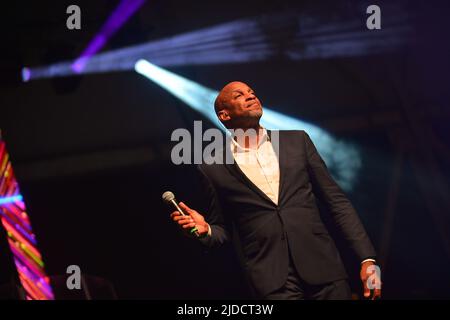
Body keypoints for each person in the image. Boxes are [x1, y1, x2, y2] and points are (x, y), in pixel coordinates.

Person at [171, 81, 381, 300]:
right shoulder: (213, 167)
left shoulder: (297, 141)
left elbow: (337, 202)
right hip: (272, 280)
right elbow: (222, 228)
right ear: (224, 115)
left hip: (323, 267)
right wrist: (208, 231)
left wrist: (368, 259)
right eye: (239, 95)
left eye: (252, 92)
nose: (251, 96)